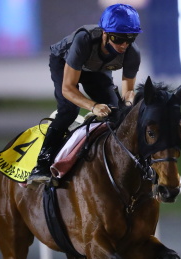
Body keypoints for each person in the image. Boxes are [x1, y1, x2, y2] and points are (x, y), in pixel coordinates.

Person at [27, 4, 142, 185]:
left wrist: (127, 107)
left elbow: (128, 92)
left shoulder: (132, 53)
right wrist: (93, 106)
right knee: (69, 110)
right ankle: (41, 164)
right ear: (104, 33)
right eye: (118, 38)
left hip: (96, 69)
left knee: (115, 115)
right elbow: (68, 88)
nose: (124, 45)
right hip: (64, 62)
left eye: (130, 38)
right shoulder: (84, 40)